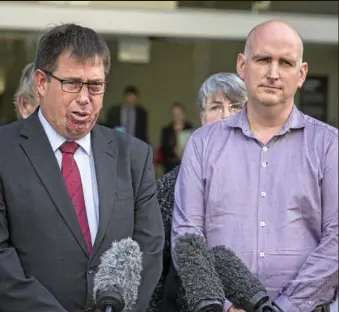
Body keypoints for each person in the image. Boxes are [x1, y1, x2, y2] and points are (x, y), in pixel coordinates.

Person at [171, 19, 338, 312]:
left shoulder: (329, 146)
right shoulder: (202, 144)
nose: (273, 73)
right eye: (263, 60)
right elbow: (187, 235)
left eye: (285, 63)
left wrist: (286, 307)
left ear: (301, 74)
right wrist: (222, 305)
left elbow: (336, 239)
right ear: (242, 65)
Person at [0, 23, 164, 312]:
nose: (85, 99)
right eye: (72, 83)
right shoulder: (4, 151)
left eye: (95, 86)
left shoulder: (133, 157)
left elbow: (148, 251)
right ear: (41, 82)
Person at [147, 72, 247, 312]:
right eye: (215, 107)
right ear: (202, 118)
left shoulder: (267, 179)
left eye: (235, 106)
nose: (225, 116)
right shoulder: (172, 184)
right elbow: (157, 266)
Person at [159, 101, 194, 173]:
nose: (176, 116)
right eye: (174, 114)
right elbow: (164, 148)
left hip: (187, 167)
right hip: (170, 167)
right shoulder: (166, 130)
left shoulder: (190, 128)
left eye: (179, 114)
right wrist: (174, 150)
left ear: (183, 114)